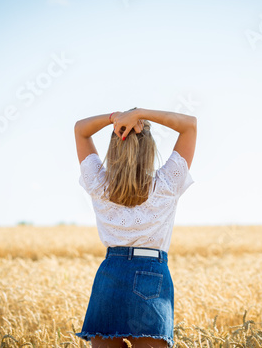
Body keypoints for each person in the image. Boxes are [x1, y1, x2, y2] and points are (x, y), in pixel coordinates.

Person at [73, 107, 197, 348]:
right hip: (152, 274)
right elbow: (189, 125)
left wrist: (114, 118)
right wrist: (140, 113)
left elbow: (80, 130)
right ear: (150, 149)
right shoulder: (167, 183)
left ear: (114, 148)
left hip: (110, 274)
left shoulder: (99, 184)